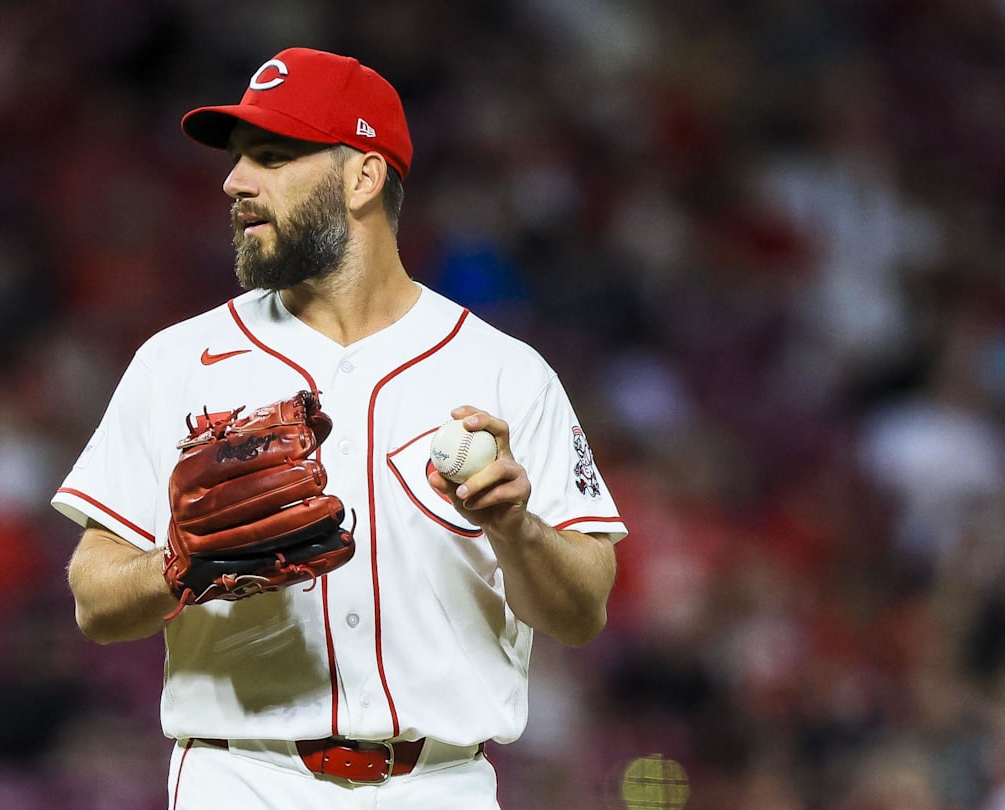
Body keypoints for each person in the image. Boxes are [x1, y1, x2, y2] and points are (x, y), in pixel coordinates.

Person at [51, 47, 627, 809]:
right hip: (241, 779)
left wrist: (517, 527)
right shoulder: (179, 362)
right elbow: (94, 600)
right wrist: (179, 565)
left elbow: (582, 612)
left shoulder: (504, 372)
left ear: (363, 175)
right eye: (236, 159)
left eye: (272, 155)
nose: (234, 182)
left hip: (440, 785)